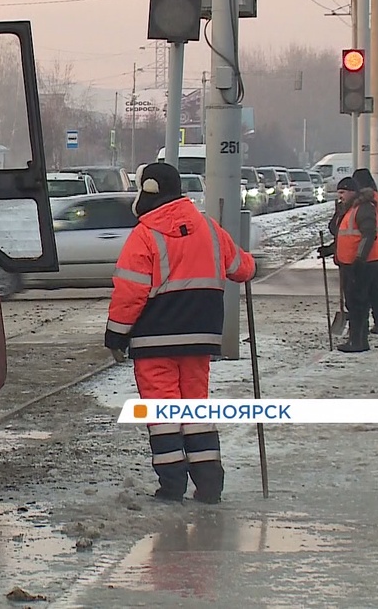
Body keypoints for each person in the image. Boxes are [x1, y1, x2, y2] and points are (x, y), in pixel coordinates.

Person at [104, 162, 256, 504]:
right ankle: (209, 484)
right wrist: (252, 264)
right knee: (195, 410)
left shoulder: (144, 235)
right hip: (200, 338)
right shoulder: (210, 229)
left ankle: (172, 486)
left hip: (154, 340)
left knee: (163, 413)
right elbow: (240, 268)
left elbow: (130, 292)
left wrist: (115, 335)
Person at [318, 176, 378, 352]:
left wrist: (359, 261)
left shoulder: (363, 208)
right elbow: (345, 236)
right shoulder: (349, 210)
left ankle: (358, 341)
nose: (340, 196)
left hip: (363, 264)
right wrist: (330, 249)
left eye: (342, 192)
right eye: (338, 192)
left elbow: (368, 235)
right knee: (354, 301)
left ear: (352, 192)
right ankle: (357, 340)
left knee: (357, 302)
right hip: (351, 263)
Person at [352, 168, 378, 334]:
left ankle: (360, 323)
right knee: (377, 288)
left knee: (362, 288)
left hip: (367, 249)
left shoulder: (362, 201)